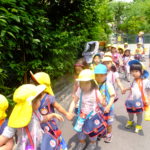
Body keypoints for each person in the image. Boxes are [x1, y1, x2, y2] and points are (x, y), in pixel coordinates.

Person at [0, 84, 64, 150]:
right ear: (32, 103)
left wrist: (52, 115)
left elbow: (42, 119)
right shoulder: (16, 120)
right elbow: (5, 136)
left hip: (40, 145)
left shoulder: (35, 113)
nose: (40, 102)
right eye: (39, 100)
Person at [69, 69, 105, 150]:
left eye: (86, 83)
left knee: (93, 131)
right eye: (81, 83)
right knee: (80, 130)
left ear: (92, 83)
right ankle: (82, 142)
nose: (83, 85)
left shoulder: (95, 91)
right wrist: (69, 112)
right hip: (81, 115)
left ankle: (93, 143)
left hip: (92, 116)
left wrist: (103, 102)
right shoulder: (80, 90)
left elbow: (102, 101)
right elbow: (74, 101)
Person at [124, 60, 150, 133]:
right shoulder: (134, 80)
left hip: (140, 101)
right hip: (131, 100)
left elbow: (148, 91)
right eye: (132, 71)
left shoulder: (145, 81)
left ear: (141, 71)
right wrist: (126, 89)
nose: (133, 73)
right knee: (130, 111)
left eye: (136, 71)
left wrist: (148, 100)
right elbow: (133, 87)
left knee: (139, 114)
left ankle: (138, 125)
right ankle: (131, 121)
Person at [94, 64, 115, 143]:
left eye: (101, 75)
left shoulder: (108, 84)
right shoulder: (95, 84)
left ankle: (109, 134)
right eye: (97, 75)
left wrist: (109, 106)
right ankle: (102, 132)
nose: (99, 78)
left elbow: (112, 96)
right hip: (99, 108)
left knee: (109, 122)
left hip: (108, 108)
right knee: (100, 121)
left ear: (106, 75)